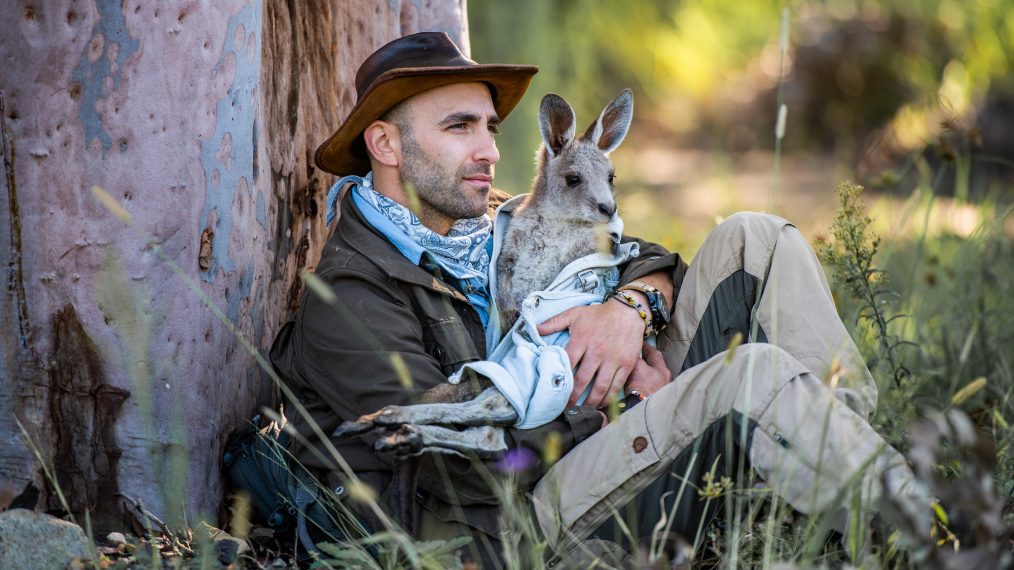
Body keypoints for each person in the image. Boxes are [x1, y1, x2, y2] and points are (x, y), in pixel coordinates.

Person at [269, 32, 930, 567]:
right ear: (384, 144)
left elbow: (646, 259)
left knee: (755, 238)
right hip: (524, 517)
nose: (489, 151)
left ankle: (838, 472)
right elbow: (451, 463)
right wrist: (620, 403)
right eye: (459, 127)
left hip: (586, 419)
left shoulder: (490, 221)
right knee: (749, 375)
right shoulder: (350, 292)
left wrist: (629, 312)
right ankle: (921, 536)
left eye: (490, 128)